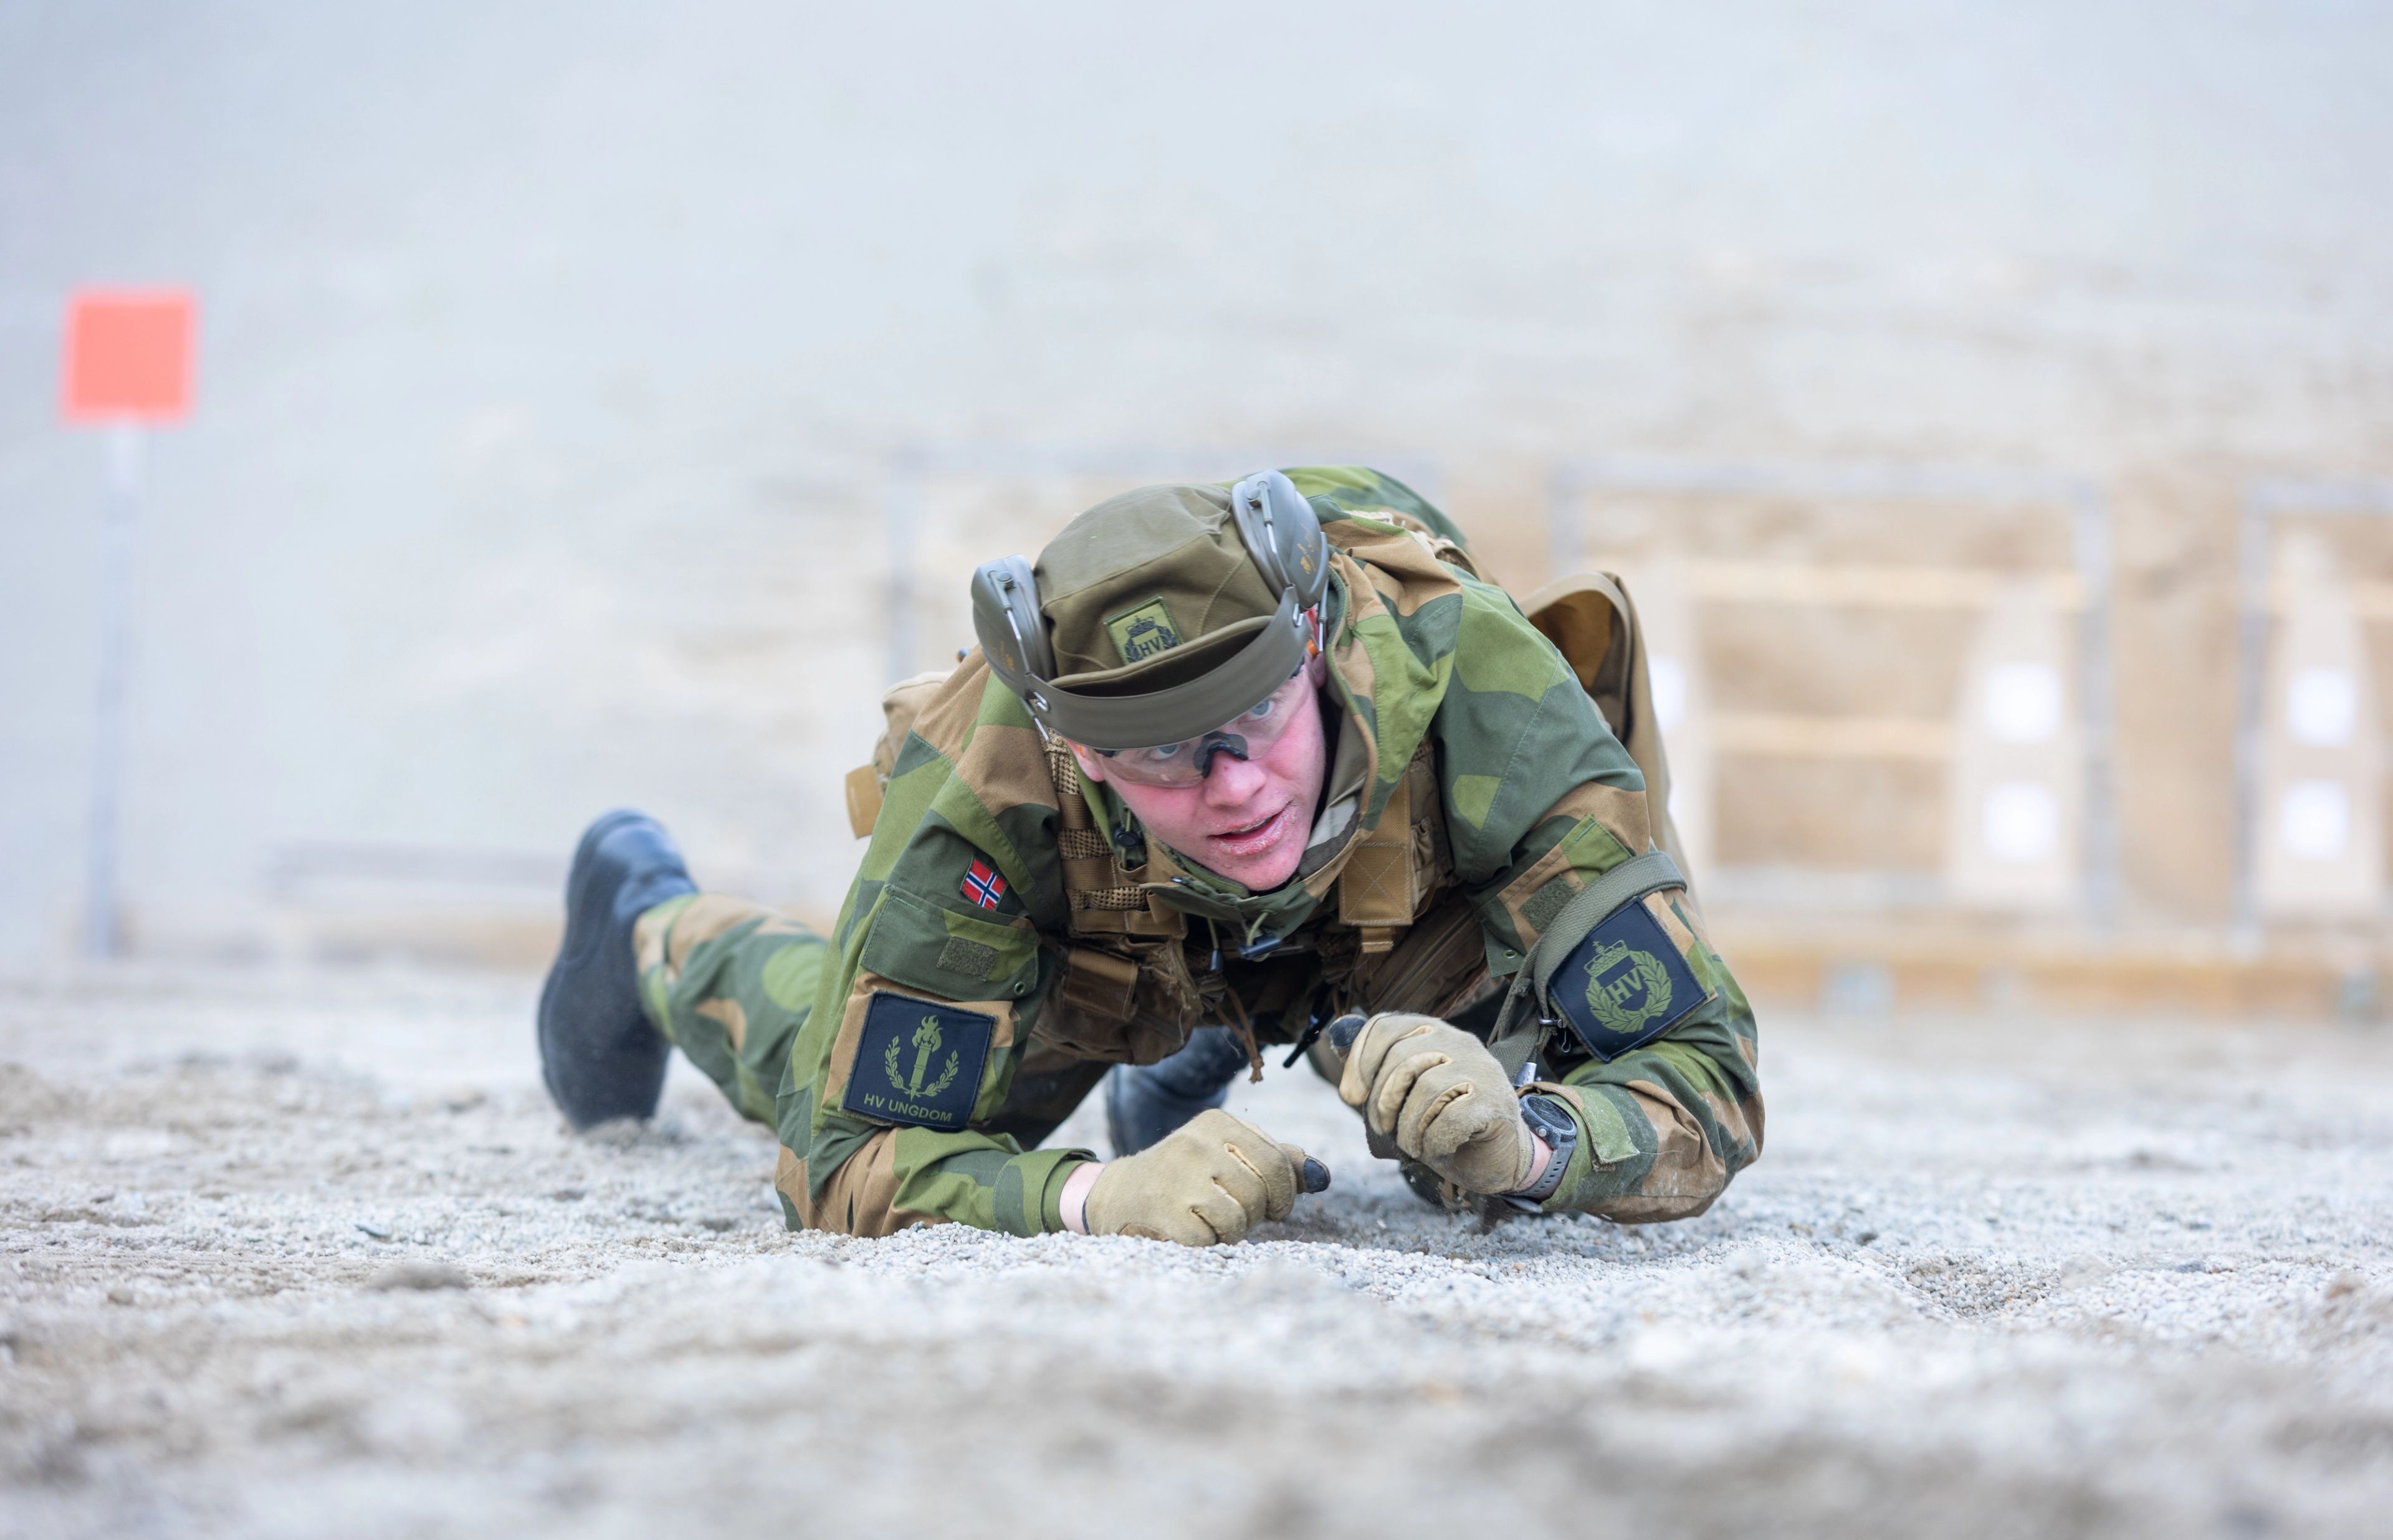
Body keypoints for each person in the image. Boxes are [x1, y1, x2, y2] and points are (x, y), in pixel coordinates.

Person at [535, 467, 1763, 1244]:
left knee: (1466, 1162)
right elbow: (846, 1155)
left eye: (1258, 724)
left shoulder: (1484, 694)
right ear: (1080, 754)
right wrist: (1088, 1196)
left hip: (1403, 925)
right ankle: (647, 917)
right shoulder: (988, 778)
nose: (1232, 788)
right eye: (1164, 756)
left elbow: (1706, 1073)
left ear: (1321, 649)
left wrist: (1536, 1137)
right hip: (1114, 954)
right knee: (868, 1081)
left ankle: (1236, 1049)